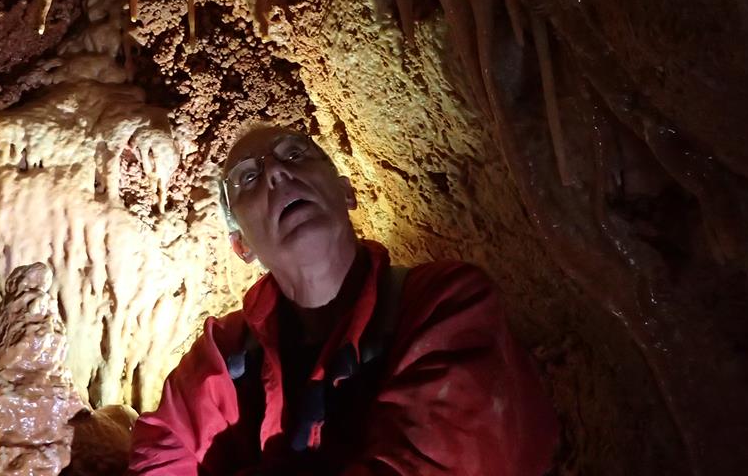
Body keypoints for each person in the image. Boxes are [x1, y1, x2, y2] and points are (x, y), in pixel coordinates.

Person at [126, 125, 558, 476]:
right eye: (249, 178)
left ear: (347, 192)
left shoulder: (444, 305)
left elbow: (442, 461)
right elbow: (162, 449)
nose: (277, 173)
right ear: (242, 248)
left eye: (294, 154)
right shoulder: (229, 354)